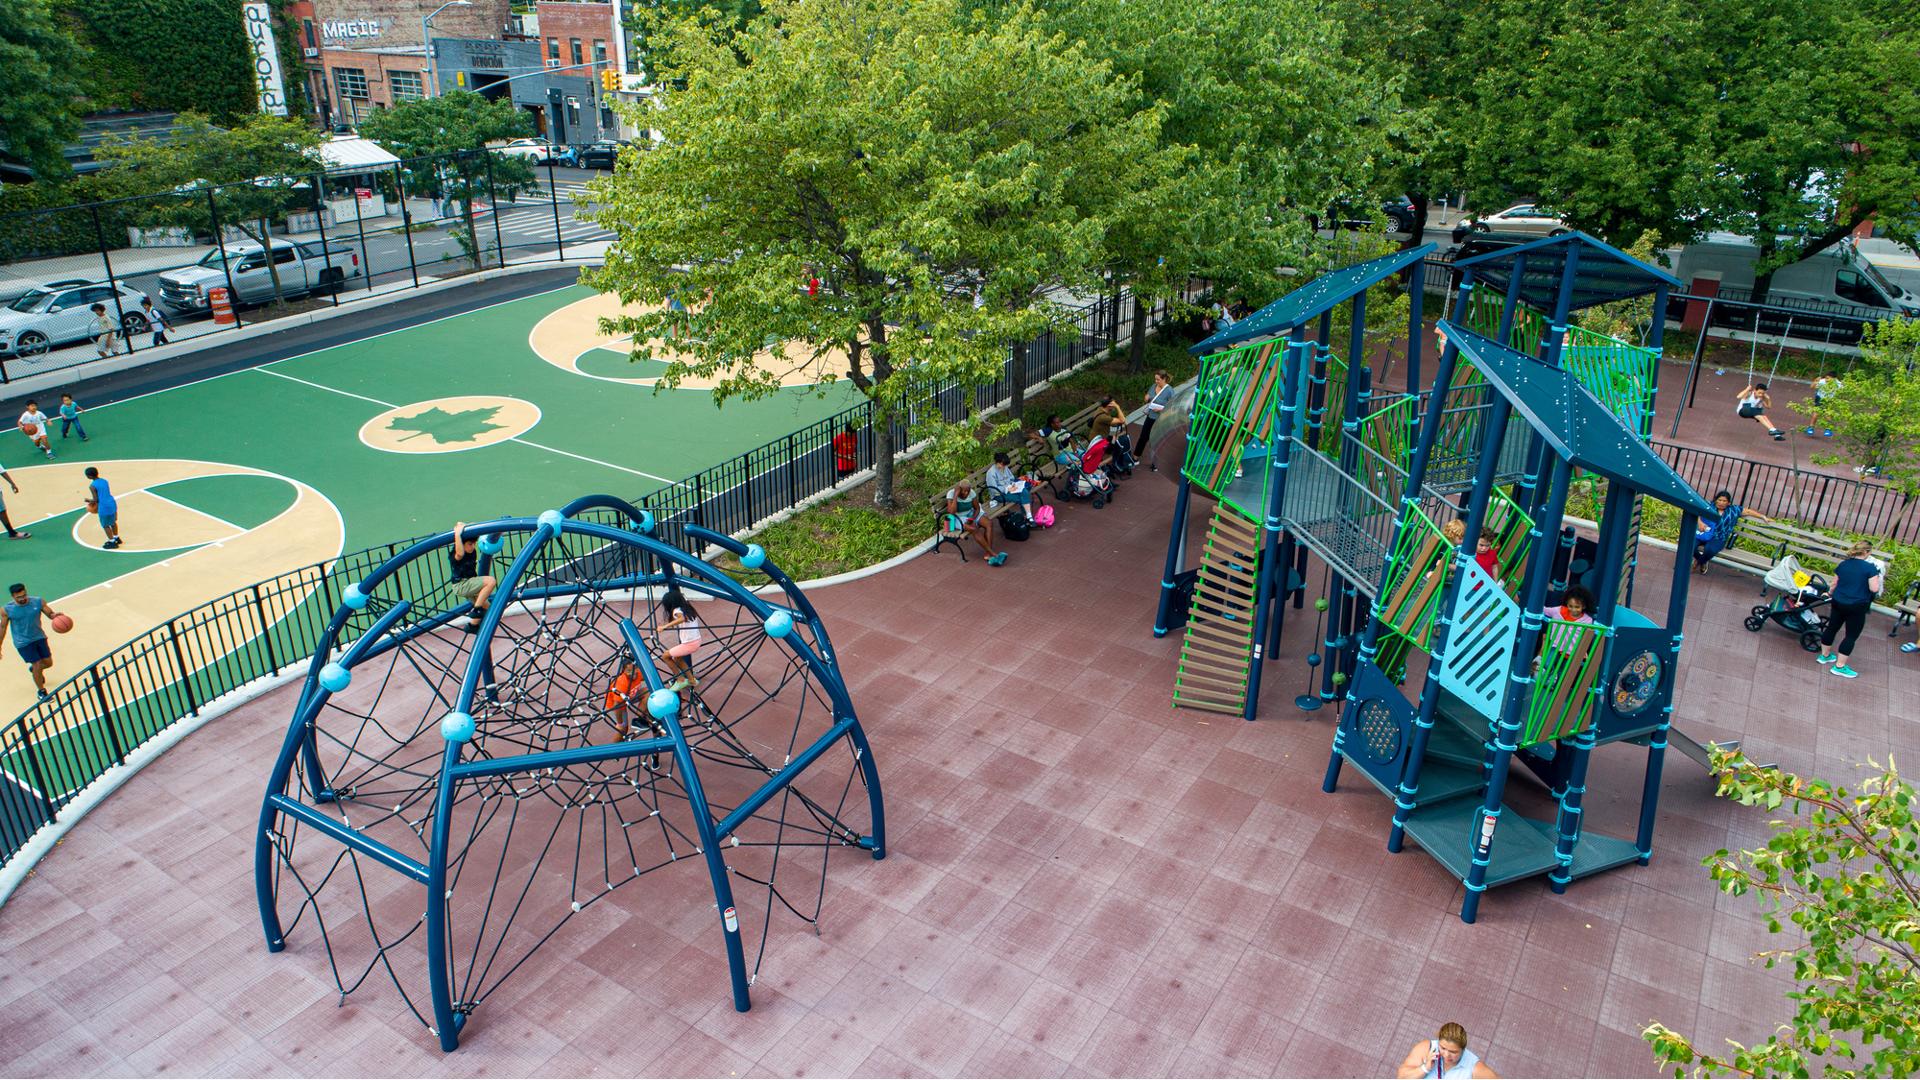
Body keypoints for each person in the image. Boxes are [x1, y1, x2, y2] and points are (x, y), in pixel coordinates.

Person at [1816, 540, 1884, 679]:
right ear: (1866, 552)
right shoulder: (1870, 568)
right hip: (1857, 605)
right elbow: (1874, 589)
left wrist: (1829, 593)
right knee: (1851, 636)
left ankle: (1824, 656)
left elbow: (1834, 584)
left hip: (1838, 601)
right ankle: (1839, 667)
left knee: (1832, 628)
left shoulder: (1844, 564)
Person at [4, 582, 64, 702]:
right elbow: (2, 628)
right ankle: (42, 692)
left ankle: (35, 671)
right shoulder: (7, 610)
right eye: (19, 597)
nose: (22, 598)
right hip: (23, 643)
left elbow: (49, 613)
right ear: (13, 596)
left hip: (39, 637)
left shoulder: (38, 601)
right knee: (37, 664)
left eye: (24, 595)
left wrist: (54, 615)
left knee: (48, 663)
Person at [1692, 490, 1769, 574]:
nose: (1721, 503)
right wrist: (1700, 522)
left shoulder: (1733, 510)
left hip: (1719, 537)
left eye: (1724, 501)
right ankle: (1702, 561)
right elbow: (1696, 510)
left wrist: (1762, 516)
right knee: (1690, 545)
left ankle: (1699, 562)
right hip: (1703, 533)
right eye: (1719, 500)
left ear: (1728, 503)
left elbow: (1748, 511)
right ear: (1716, 500)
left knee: (1709, 550)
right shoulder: (1709, 505)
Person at [1397, 1022, 1499, 1079]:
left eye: (1453, 1052)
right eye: (1443, 1048)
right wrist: (1425, 1068)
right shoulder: (1426, 1048)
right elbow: (1401, 1077)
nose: (1446, 1055)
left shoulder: (1475, 1068)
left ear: (1463, 1049)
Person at [448, 522, 498, 631]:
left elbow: (474, 529)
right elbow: (460, 553)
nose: (473, 547)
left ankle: (472, 626)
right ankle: (477, 609)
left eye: (474, 544)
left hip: (469, 583)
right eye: (470, 544)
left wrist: (466, 526)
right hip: (462, 584)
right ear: (461, 544)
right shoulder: (455, 555)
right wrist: (457, 534)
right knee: (491, 581)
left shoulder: (472, 551)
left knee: (488, 608)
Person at [945, 480, 1005, 566]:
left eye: (968, 490)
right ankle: (993, 554)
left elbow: (977, 508)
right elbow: (951, 512)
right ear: (959, 489)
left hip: (970, 514)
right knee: (974, 529)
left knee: (989, 524)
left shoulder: (971, 493)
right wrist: (955, 496)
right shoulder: (951, 494)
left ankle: (988, 554)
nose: (966, 493)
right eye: (964, 491)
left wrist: (972, 519)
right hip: (957, 517)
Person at [655, 586, 703, 688]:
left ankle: (680, 680)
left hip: (690, 643)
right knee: (677, 658)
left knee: (665, 656)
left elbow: (682, 618)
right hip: (696, 640)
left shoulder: (677, 610)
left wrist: (664, 626)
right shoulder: (687, 607)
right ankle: (692, 680)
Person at [1543, 584, 1597, 655]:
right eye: (1570, 606)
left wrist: (1583, 651)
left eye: (1577, 607)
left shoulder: (1587, 620)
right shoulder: (1559, 611)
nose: (1573, 609)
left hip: (1573, 652)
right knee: (1548, 661)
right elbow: (1544, 610)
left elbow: (1587, 637)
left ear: (1583, 606)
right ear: (1566, 603)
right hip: (1555, 647)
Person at [1140, 370, 1173, 470]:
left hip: (1160, 420)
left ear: (1164, 379)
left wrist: (1160, 409)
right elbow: (1148, 398)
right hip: (1150, 416)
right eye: (1155, 379)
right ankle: (1135, 457)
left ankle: (1156, 463)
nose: (1156, 381)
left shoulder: (1169, 391)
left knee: (1156, 441)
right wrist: (1146, 398)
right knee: (1143, 437)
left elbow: (1172, 406)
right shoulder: (1154, 386)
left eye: (1158, 379)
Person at [83, 467, 120, 549]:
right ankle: (117, 538)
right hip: (112, 503)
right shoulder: (104, 481)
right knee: (113, 522)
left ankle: (112, 542)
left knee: (106, 525)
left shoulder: (92, 486)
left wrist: (88, 500)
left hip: (104, 507)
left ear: (89, 476)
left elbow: (96, 500)